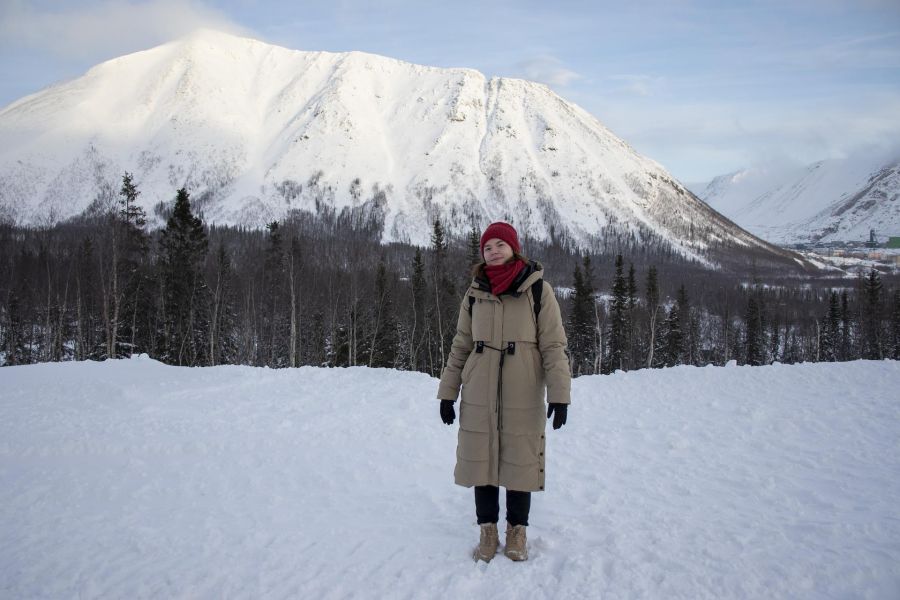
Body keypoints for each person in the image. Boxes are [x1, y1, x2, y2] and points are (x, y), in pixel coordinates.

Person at [436, 221, 571, 562]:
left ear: (514, 248)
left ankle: (517, 530)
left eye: (500, 245)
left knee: (519, 461)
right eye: (487, 247)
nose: (493, 251)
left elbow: (554, 345)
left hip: (522, 391)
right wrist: (448, 392)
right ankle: (487, 530)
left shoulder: (538, 291)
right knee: (481, 460)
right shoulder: (475, 293)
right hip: (479, 390)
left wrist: (560, 394)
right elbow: (461, 344)